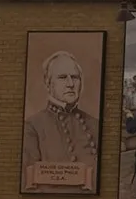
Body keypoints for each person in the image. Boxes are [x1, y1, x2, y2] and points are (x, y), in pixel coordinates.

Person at [22, 50, 100, 191]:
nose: (70, 84)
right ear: (48, 83)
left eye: (75, 77)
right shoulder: (33, 125)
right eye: (63, 77)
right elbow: (30, 181)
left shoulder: (94, 124)